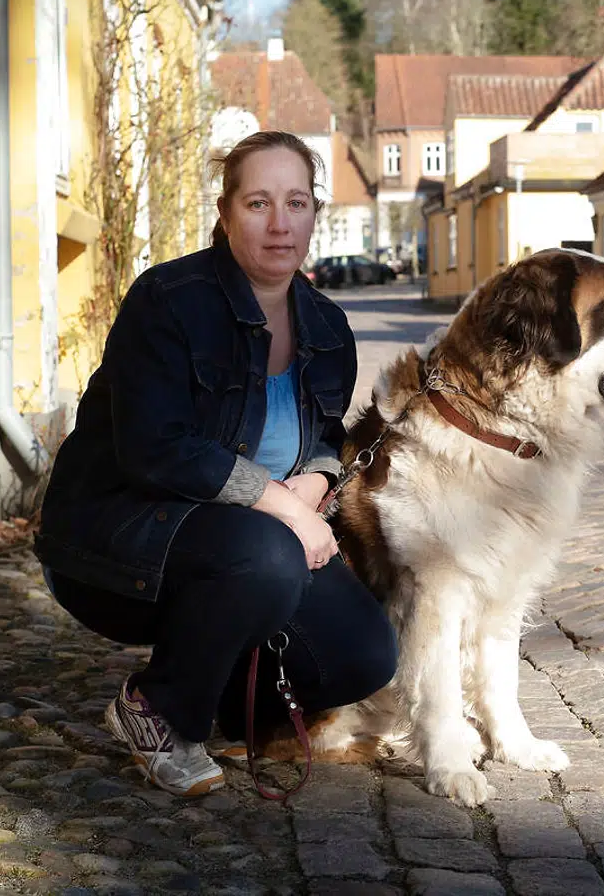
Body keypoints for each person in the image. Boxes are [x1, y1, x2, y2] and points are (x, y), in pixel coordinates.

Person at [34, 131, 398, 796]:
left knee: (364, 654)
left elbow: (324, 436)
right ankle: (160, 711)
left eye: (296, 203)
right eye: (258, 203)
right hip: (116, 541)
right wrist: (284, 505)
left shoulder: (327, 328)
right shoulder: (168, 300)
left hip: (250, 551)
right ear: (226, 212)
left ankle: (225, 702)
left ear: (315, 213)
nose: (280, 223)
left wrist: (317, 478)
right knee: (268, 554)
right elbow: (156, 447)